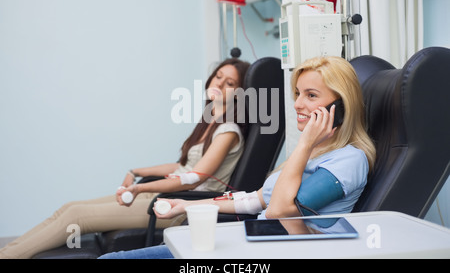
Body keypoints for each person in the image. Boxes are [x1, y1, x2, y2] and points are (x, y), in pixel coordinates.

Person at [98, 55, 376, 259]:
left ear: (340, 107)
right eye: (297, 93)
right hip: (255, 239)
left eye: (311, 95)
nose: (298, 104)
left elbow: (279, 211)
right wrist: (185, 205)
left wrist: (304, 144)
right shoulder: (313, 151)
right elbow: (254, 199)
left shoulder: (348, 161)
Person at [0, 58, 251, 259]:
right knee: (69, 207)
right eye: (218, 76)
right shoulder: (210, 121)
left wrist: (141, 187)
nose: (219, 84)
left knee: (77, 215)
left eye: (229, 83)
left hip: (179, 207)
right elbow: (182, 165)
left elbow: (193, 178)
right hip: (168, 196)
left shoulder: (227, 131)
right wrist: (136, 171)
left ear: (239, 94)